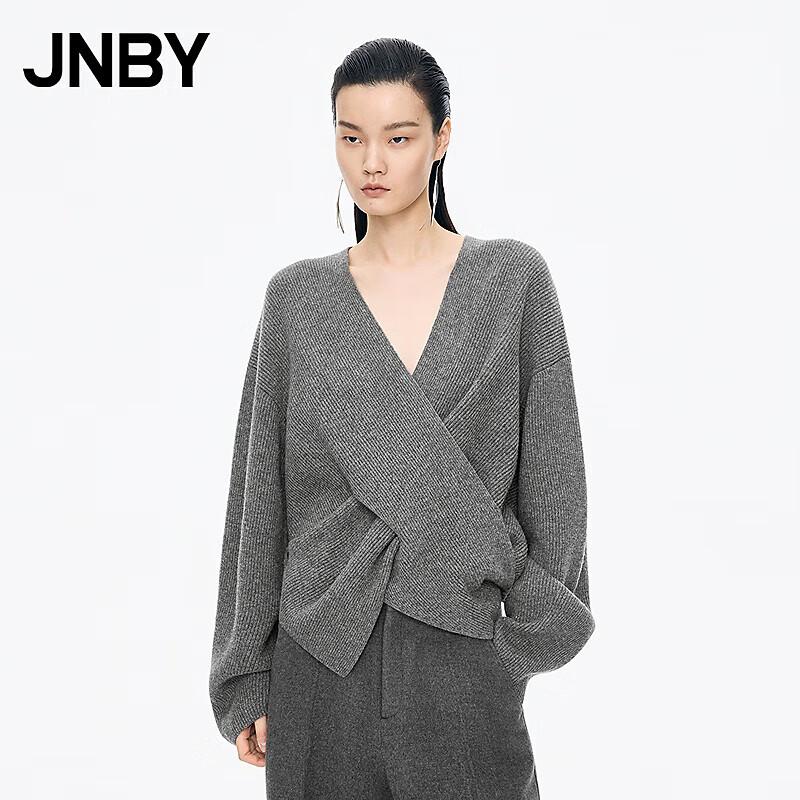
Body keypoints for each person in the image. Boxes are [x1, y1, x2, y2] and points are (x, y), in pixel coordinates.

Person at [208, 37, 596, 799]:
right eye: (352, 138)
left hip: (464, 657)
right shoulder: (297, 301)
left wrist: (520, 636)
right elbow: (258, 504)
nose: (372, 163)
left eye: (398, 137)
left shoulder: (513, 281)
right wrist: (244, 672)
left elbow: (556, 480)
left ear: (441, 138)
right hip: (320, 664)